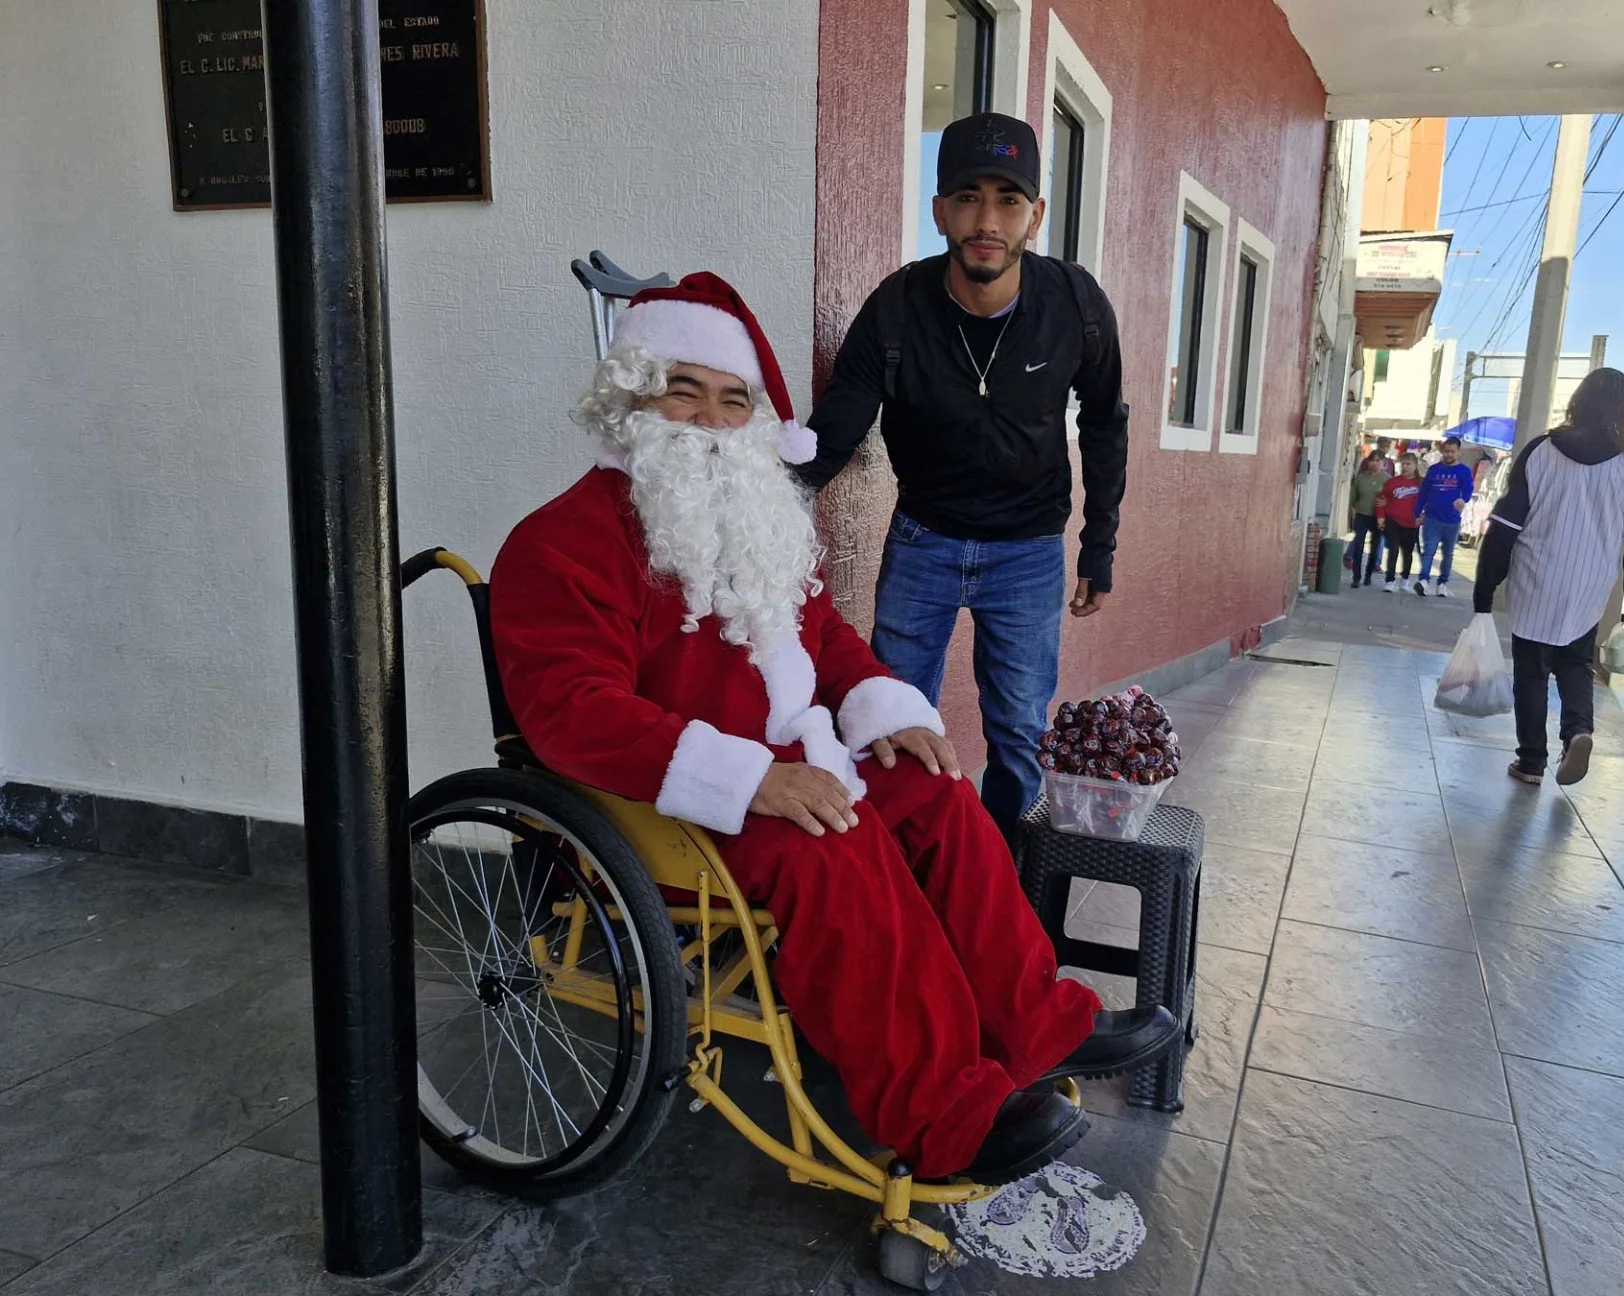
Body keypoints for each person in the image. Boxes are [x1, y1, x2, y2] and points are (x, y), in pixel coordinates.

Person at [488, 272, 1176, 1185]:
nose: (711, 418)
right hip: (673, 801)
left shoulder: (754, 516)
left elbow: (829, 642)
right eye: (682, 389)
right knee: (836, 842)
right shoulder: (561, 540)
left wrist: (885, 708)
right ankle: (946, 1113)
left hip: (793, 757)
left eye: (735, 399)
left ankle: (1040, 1022)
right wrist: (754, 780)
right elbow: (571, 712)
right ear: (631, 398)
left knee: (936, 793)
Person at [795, 112, 1128, 840]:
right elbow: (834, 432)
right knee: (891, 720)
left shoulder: (1074, 306)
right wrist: (766, 514)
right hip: (924, 540)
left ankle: (1002, 882)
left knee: (1017, 735)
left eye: (1008, 200)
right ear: (940, 208)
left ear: (1034, 216)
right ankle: (908, 874)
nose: (987, 220)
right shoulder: (897, 307)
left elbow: (1104, 422)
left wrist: (1098, 545)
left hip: (1030, 550)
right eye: (968, 197)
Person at [1472, 367, 1624, 786]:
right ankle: (1578, 731)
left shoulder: (1541, 450)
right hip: (1591, 581)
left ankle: (1531, 761)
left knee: (1532, 670)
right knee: (1575, 662)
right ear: (1620, 409)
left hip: (1536, 575)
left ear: (1578, 400)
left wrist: (1486, 585)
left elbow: (1506, 524)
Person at [1413, 437, 1475, 597]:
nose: (1448, 454)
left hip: (1452, 520)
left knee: (1448, 554)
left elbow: (1468, 489)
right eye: (1446, 451)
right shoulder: (1433, 470)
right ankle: (1424, 581)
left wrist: (1463, 499)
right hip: (1432, 518)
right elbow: (1423, 493)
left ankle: (1442, 583)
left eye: (1452, 452)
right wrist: (1417, 513)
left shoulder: (1464, 471)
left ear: (1458, 452)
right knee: (1429, 551)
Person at [1377, 454, 1424, 593]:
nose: (1405, 467)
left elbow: (1429, 501)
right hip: (1393, 521)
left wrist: (1423, 516)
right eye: (1403, 464)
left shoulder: (1421, 483)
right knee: (1393, 549)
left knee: (1408, 553)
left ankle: (1405, 578)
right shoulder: (1392, 482)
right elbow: (1381, 499)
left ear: (1415, 465)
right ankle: (1390, 579)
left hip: (1411, 523)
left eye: (1408, 464)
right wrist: (1381, 517)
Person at [1346, 452, 1390, 588]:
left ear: (1383, 463)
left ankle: (1368, 575)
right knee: (1358, 545)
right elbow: (1353, 497)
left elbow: (1391, 499)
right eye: (1372, 460)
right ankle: (1356, 577)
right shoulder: (1361, 478)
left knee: (1375, 547)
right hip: (1362, 515)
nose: (1374, 463)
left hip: (1378, 518)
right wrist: (1353, 512)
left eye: (1378, 461)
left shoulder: (1387, 480)